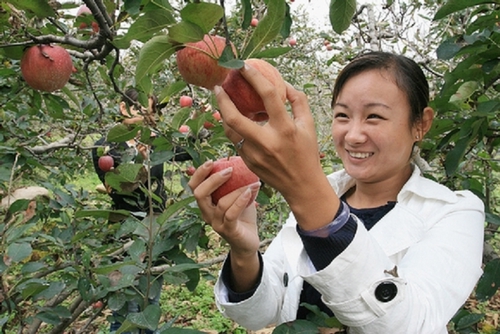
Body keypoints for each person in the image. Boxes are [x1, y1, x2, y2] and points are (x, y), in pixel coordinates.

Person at [187, 51, 485, 333]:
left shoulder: (455, 212)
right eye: (342, 115)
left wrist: (305, 189)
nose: (353, 136)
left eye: (374, 117)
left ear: (421, 124)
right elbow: (265, 312)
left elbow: (411, 323)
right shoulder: (328, 189)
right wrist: (244, 253)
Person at [91, 88, 192, 333]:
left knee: (150, 300)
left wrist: (201, 124)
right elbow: (116, 188)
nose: (149, 116)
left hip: (154, 231)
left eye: (152, 111)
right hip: (124, 231)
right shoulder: (105, 148)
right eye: (142, 109)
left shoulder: (156, 141)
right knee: (125, 309)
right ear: (124, 108)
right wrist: (139, 161)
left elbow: (187, 151)